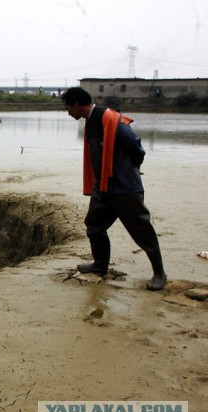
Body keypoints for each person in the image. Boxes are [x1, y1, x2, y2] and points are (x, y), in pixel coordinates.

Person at [61, 87, 166, 291]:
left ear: (76, 104)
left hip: (124, 188)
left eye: (67, 108)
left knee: (142, 231)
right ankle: (100, 265)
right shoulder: (91, 123)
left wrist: (126, 170)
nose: (68, 113)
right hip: (103, 187)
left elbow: (137, 149)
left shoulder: (112, 121)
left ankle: (159, 274)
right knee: (94, 225)